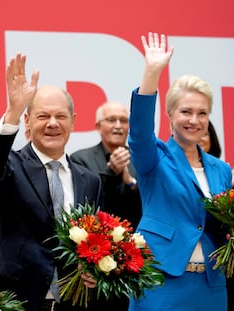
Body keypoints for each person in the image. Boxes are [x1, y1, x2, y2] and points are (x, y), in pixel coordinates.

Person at [127, 32, 234, 311]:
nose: (194, 120)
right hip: (161, 283)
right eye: (186, 112)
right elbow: (138, 133)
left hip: (211, 286)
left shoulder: (220, 169)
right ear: (170, 115)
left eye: (202, 113)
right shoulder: (155, 159)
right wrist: (151, 74)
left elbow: (219, 226)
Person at [0, 52, 102, 311]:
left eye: (60, 116)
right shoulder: (10, 165)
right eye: (43, 116)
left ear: (73, 122)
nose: (52, 123)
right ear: (28, 121)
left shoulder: (90, 180)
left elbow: (90, 244)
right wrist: (12, 111)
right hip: (15, 301)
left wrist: (94, 270)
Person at [70, 101, 142, 310]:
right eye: (111, 120)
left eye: (124, 121)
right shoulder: (79, 159)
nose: (118, 125)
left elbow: (150, 205)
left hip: (133, 257)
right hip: (94, 258)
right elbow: (86, 203)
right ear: (98, 126)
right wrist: (111, 171)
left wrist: (129, 181)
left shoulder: (141, 160)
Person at [198, 120, 234, 311]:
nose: (199, 137)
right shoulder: (170, 170)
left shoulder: (224, 172)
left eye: (205, 133)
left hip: (223, 264)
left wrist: (230, 185)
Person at [198, 121, 234, 189]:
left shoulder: (223, 170)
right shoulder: (179, 169)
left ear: (211, 139)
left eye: (204, 134)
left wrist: (229, 186)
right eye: (194, 134)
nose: (199, 139)